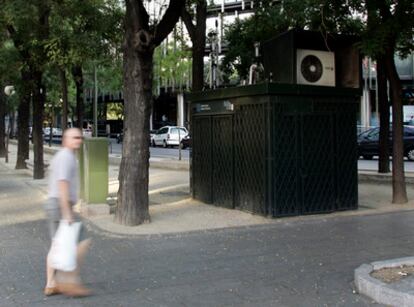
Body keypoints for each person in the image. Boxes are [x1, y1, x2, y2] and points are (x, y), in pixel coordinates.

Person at [44, 128, 91, 297]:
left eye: (80, 137)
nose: (78, 140)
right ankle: (68, 280)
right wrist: (67, 212)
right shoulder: (65, 157)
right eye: (74, 137)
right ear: (65, 140)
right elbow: (62, 184)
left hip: (55, 204)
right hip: (59, 205)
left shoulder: (66, 156)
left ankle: (51, 284)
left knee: (57, 245)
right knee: (82, 240)